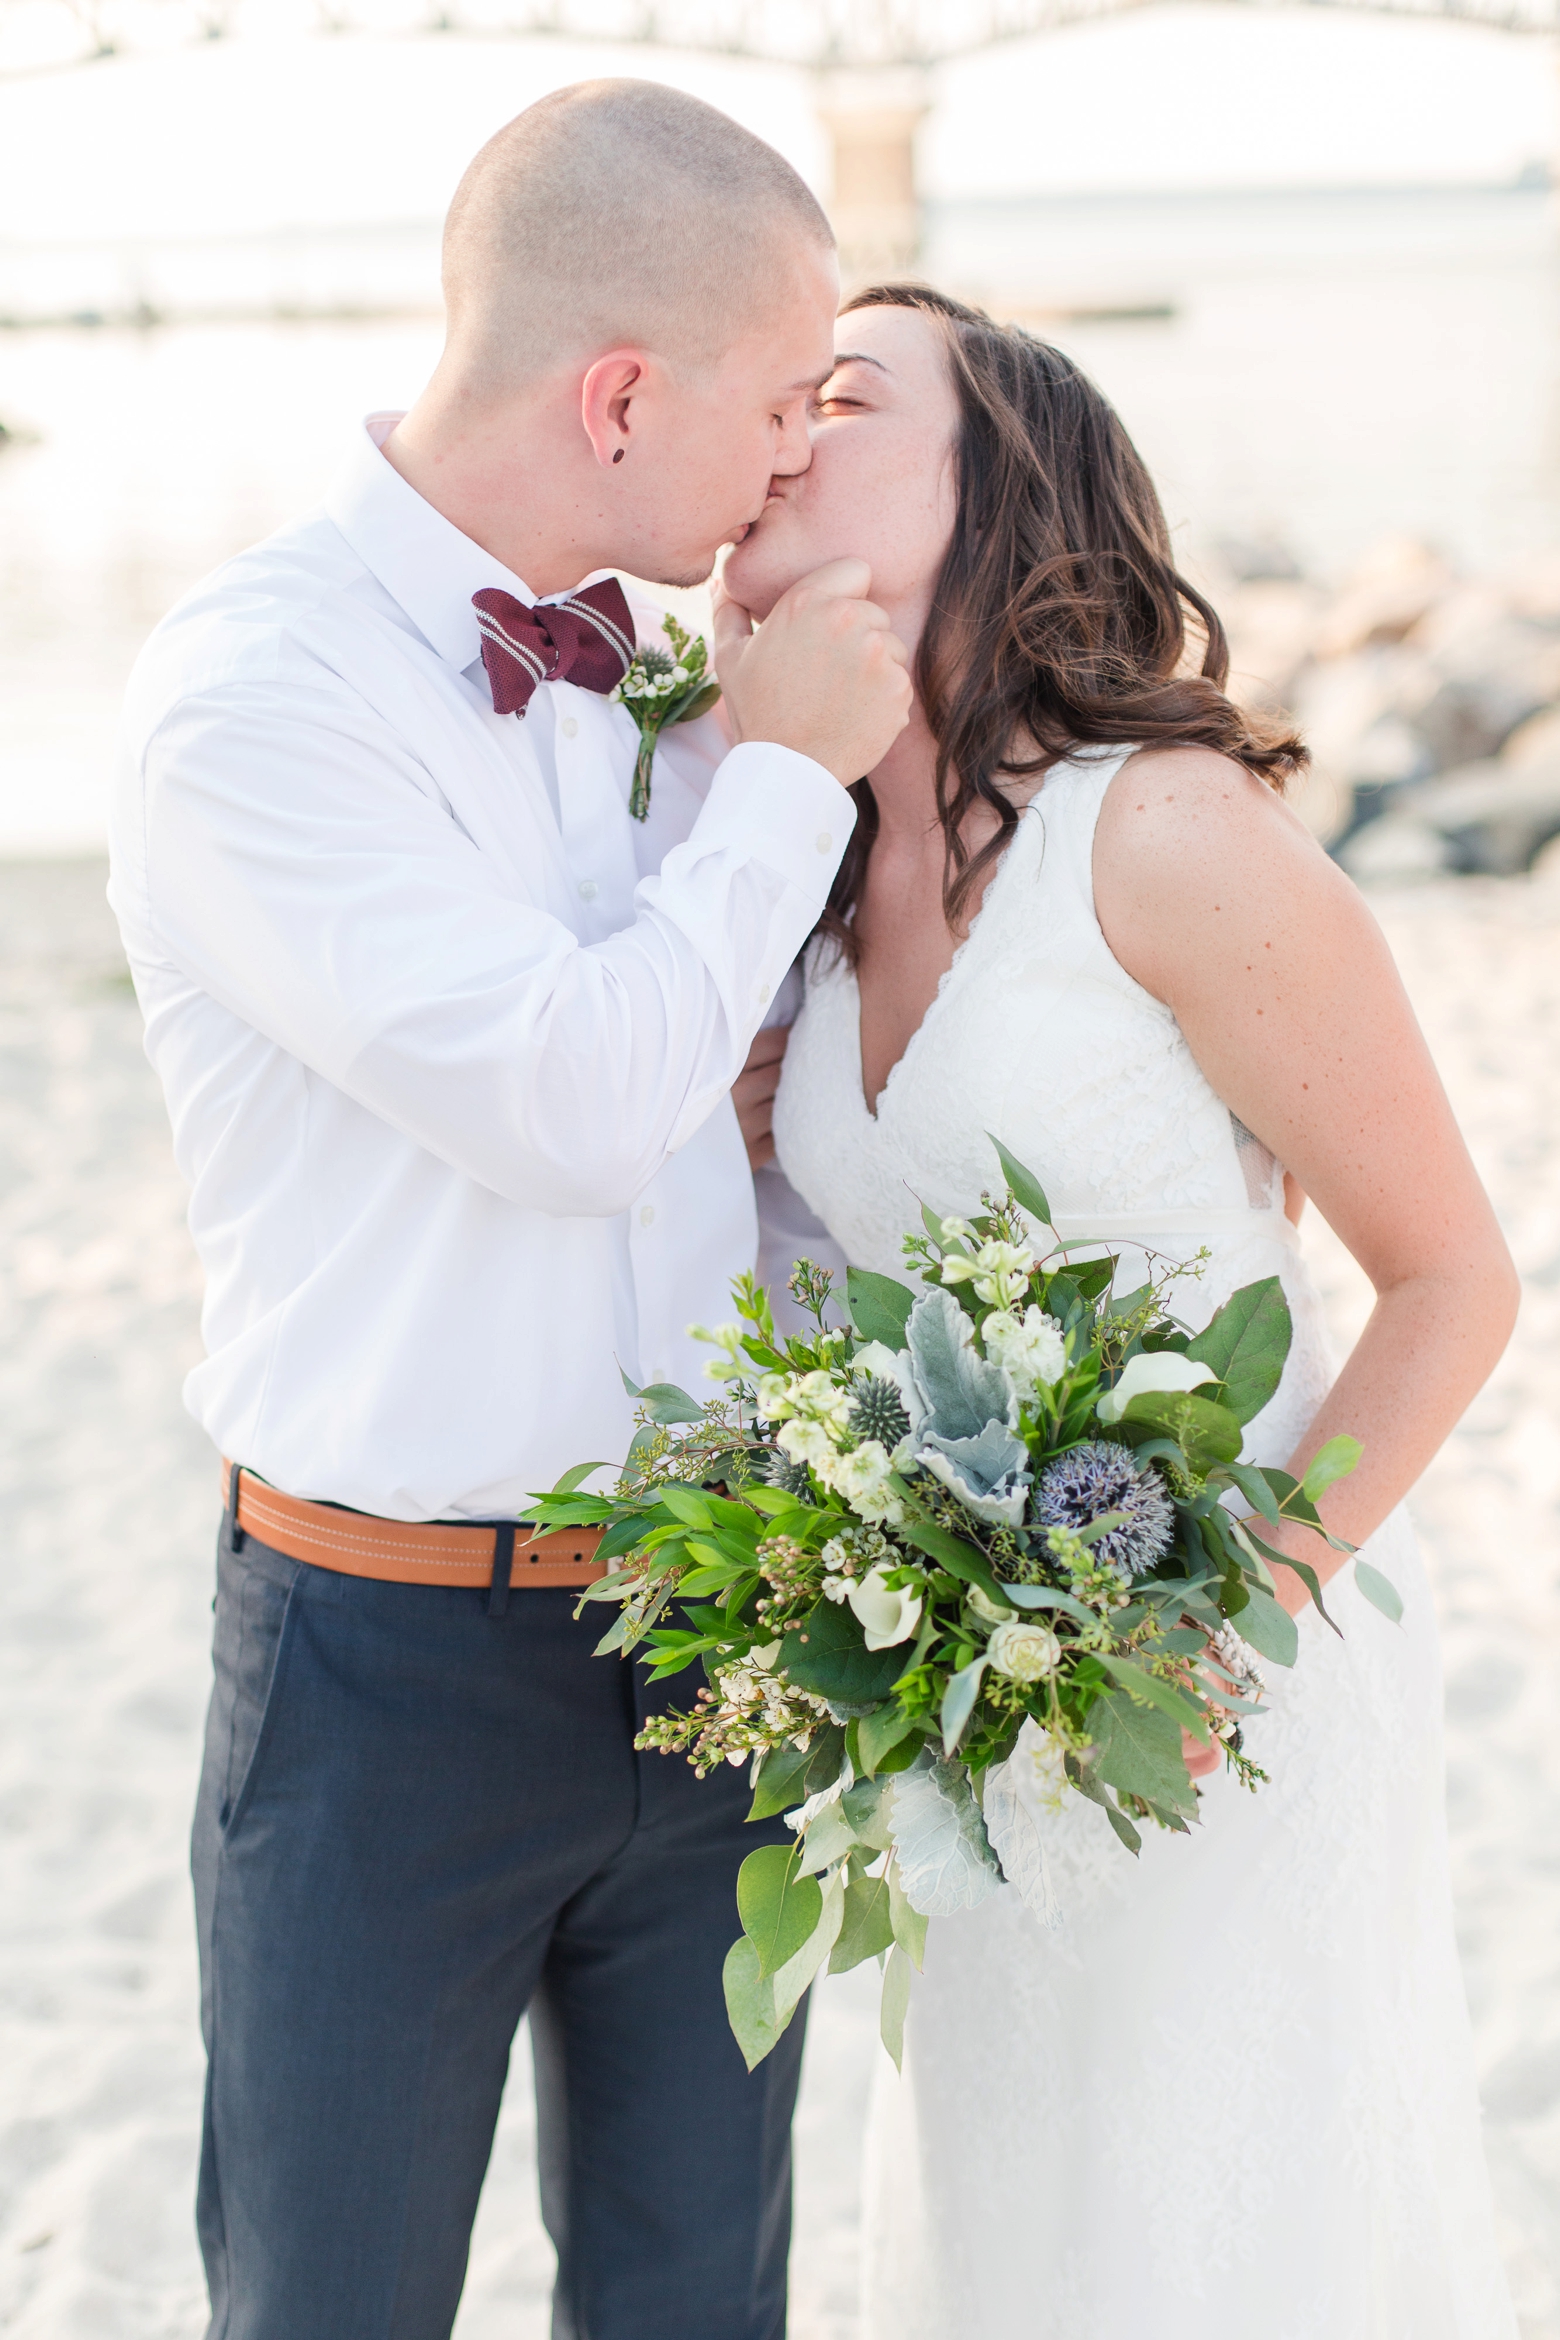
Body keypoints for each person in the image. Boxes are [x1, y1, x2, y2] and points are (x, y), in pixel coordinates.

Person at [107, 82, 911, 2340]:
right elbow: (570, 1102)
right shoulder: (257, 701)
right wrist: (779, 787)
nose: (788, 462)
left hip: (713, 1635)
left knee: (697, 2297)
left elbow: (702, 1111)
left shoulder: (667, 675)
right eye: (777, 405)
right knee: (331, 2300)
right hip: (386, 1673)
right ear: (623, 391)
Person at [722, 283, 1520, 2337]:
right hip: (975, 1702)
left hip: (1235, 1660)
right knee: (1021, 2220)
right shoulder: (796, 881)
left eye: (844, 399)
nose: (783, 435)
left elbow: (1450, 1279)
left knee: (1224, 2224)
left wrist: (1239, 1617)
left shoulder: (1157, 832)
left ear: (1002, 488)